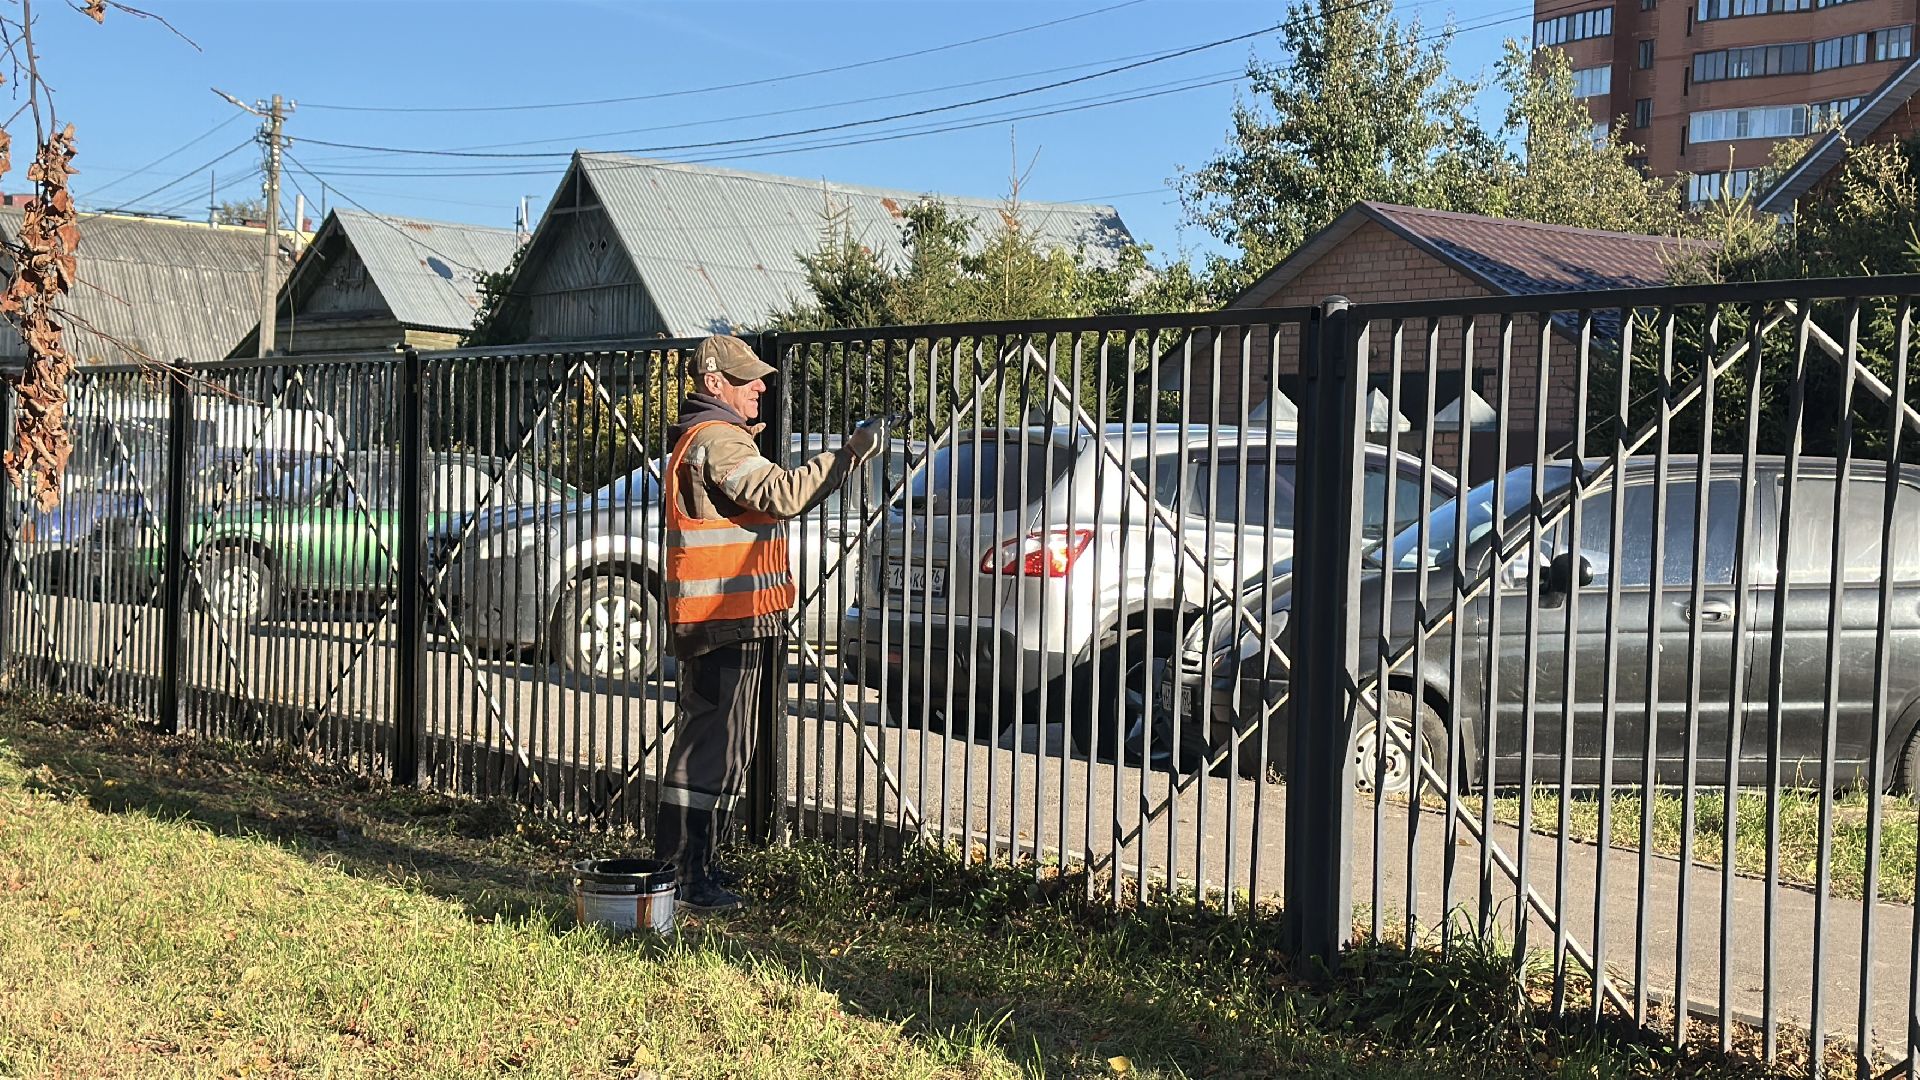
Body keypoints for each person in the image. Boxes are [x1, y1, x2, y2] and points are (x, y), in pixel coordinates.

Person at [654, 334, 885, 911]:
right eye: (747, 379)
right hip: (722, 618)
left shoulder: (706, 437)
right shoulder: (717, 439)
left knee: (717, 745)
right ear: (714, 384)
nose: (761, 387)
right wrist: (849, 453)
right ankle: (683, 873)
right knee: (711, 746)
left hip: (726, 616)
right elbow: (780, 494)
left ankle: (692, 864)